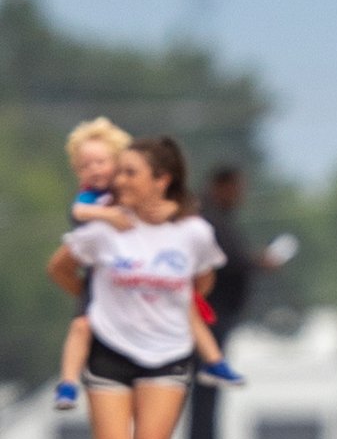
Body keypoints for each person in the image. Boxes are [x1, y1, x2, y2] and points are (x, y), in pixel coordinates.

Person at [47, 136, 228, 439]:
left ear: (161, 180)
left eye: (130, 173)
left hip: (167, 353)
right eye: (119, 171)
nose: (118, 181)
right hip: (110, 352)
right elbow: (61, 267)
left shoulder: (193, 233)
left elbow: (202, 279)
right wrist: (91, 303)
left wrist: (170, 309)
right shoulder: (104, 230)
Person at [53, 117, 242, 413]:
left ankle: (215, 363)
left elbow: (176, 219)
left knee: (187, 310)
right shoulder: (96, 203)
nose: (95, 171)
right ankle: (67, 383)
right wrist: (108, 219)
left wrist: (171, 213)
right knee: (82, 325)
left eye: (102, 162)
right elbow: (75, 224)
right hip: (107, 281)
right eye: (85, 165)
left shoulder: (176, 219)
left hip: (156, 303)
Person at [187, 165, 283, 439]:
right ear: (222, 186)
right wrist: (259, 262)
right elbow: (227, 260)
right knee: (206, 387)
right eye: (237, 188)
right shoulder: (209, 220)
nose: (241, 196)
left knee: (209, 389)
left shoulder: (217, 219)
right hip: (207, 317)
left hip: (215, 316)